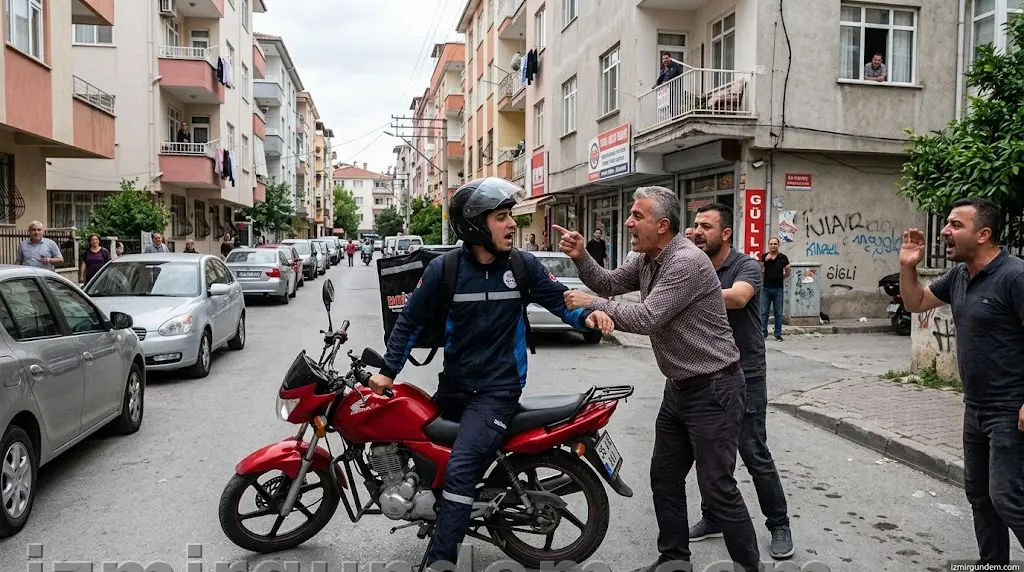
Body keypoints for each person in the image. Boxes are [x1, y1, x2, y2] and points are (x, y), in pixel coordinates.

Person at [368, 177, 615, 570]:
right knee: (427, 453)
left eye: (509, 216)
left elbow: (561, 304)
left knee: (461, 471)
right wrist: (387, 372)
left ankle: (440, 562)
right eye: (502, 217)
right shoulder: (444, 270)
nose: (512, 225)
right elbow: (409, 323)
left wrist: (589, 316)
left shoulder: (523, 266)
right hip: (453, 387)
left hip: (497, 390)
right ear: (475, 226)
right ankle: (439, 518)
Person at [553, 185, 760, 572]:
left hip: (714, 388)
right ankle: (674, 561)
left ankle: (750, 567)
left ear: (662, 225)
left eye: (637, 216)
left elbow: (647, 318)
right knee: (664, 477)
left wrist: (590, 303)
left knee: (718, 489)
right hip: (679, 389)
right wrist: (582, 256)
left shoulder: (685, 261)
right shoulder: (647, 258)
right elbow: (609, 283)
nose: (629, 222)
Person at [899, 197, 1024, 566]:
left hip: (1010, 409)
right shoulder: (959, 276)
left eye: (955, 225)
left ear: (983, 234)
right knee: (980, 497)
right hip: (975, 407)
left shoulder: (1015, 276)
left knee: (1008, 497)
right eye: (947, 223)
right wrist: (908, 266)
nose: (944, 231)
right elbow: (917, 302)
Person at [689, 202, 794, 559]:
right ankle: (713, 516)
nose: (697, 231)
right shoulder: (696, 265)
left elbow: (738, 297)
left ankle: (779, 524)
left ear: (726, 233)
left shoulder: (746, 265)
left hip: (746, 372)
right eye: (695, 225)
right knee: (711, 453)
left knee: (753, 452)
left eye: (706, 226)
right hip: (706, 374)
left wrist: (690, 294)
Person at [761, 237, 790, 341]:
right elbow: (759, 269)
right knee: (764, 312)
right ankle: (763, 333)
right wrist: (765, 260)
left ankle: (778, 334)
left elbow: (787, 271)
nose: (773, 246)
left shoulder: (783, 258)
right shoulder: (764, 256)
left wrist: (781, 277)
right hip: (766, 289)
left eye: (775, 244)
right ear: (768, 245)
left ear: (778, 245)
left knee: (778, 313)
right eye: (771, 244)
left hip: (778, 289)